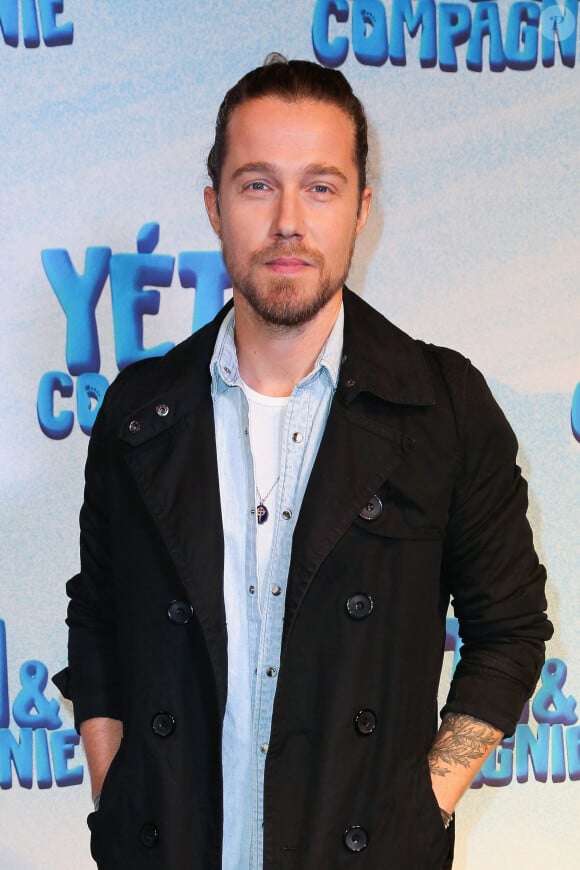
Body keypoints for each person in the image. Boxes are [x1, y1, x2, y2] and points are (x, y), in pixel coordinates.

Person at [53, 55, 552, 869]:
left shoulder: (443, 405)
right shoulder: (139, 413)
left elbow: (510, 630)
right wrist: (118, 789)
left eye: (320, 186)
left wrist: (421, 804)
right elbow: (98, 618)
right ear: (214, 207)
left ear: (361, 208)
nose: (289, 220)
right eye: (257, 185)